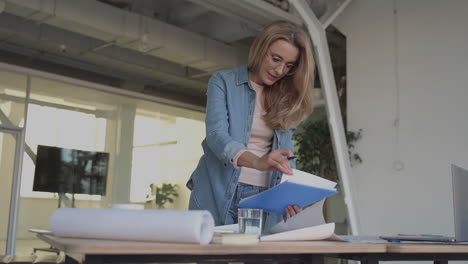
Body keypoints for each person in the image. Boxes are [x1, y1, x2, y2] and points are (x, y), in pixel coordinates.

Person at [186, 20, 315, 231]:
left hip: (264, 199)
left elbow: (286, 154)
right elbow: (217, 136)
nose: (280, 70)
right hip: (215, 192)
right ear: (260, 47)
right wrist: (258, 162)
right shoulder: (223, 81)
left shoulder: (287, 98)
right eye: (276, 59)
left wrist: (291, 196)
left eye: (289, 65)